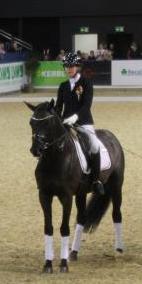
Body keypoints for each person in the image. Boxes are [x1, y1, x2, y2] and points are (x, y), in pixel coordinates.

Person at [55, 52, 105, 195]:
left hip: (83, 122)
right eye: (66, 66)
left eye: (71, 66)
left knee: (94, 144)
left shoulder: (86, 83)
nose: (68, 69)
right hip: (66, 123)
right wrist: (56, 117)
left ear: (78, 67)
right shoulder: (63, 86)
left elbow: (86, 105)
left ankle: (96, 181)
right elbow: (59, 107)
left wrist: (75, 117)